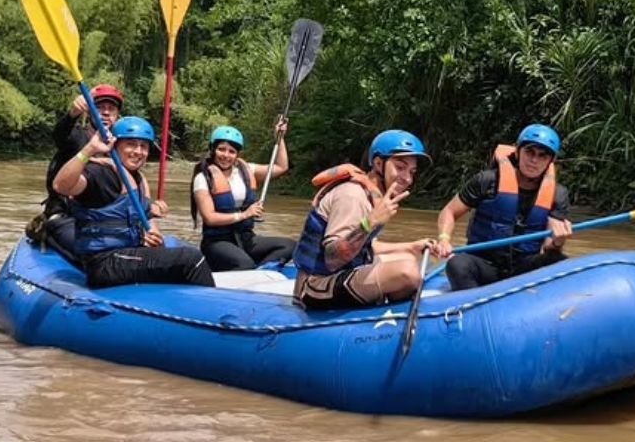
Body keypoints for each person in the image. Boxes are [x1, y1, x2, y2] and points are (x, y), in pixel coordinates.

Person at [53, 116, 214, 289]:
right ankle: (214, 311)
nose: (138, 151)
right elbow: (60, 186)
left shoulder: (138, 179)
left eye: (143, 146)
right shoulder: (102, 174)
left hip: (127, 255)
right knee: (192, 260)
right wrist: (89, 150)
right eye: (131, 144)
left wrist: (153, 236)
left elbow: (146, 220)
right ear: (114, 146)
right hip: (105, 262)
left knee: (178, 252)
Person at [292, 129, 439, 310]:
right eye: (400, 168)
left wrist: (412, 246)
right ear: (378, 163)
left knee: (412, 259)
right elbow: (332, 258)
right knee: (407, 271)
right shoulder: (352, 195)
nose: (408, 178)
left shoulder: (374, 196)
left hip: (342, 275)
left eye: (412, 171)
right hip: (315, 287)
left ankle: (388, 311)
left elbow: (365, 247)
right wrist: (370, 222)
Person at [435, 124, 573, 291]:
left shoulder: (558, 195)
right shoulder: (486, 181)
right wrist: (444, 239)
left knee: (560, 263)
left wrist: (558, 242)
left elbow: (549, 247)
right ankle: (474, 308)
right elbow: (449, 211)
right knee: (457, 264)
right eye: (529, 152)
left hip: (524, 268)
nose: (534, 160)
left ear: (550, 161)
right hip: (484, 264)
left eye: (542, 156)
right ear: (518, 151)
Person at [33, 84, 126, 258]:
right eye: (99, 108)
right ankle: (47, 232)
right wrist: (72, 114)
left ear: (117, 116)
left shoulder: (118, 146)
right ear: (89, 112)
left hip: (99, 217)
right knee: (90, 250)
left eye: (111, 109)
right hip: (66, 214)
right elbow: (59, 134)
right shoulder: (75, 136)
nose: (106, 113)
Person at [190, 121, 296, 271]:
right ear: (213, 149)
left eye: (231, 151)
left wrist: (279, 138)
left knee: (290, 246)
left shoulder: (246, 170)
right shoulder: (203, 178)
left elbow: (281, 167)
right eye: (221, 149)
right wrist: (244, 214)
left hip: (245, 238)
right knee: (244, 264)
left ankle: (261, 273)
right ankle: (246, 269)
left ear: (237, 154)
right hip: (217, 242)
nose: (226, 155)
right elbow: (210, 218)